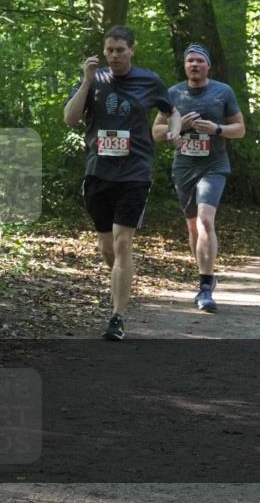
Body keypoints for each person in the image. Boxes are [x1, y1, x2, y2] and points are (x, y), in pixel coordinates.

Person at [65, 25, 181, 340]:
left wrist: (174, 130)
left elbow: (173, 112)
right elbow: (70, 119)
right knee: (107, 247)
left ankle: (117, 316)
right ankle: (123, 279)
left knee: (122, 242)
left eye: (120, 50)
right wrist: (87, 81)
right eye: (109, 51)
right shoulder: (94, 80)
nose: (114, 55)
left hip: (135, 172)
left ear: (132, 49)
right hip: (98, 172)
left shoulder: (149, 80)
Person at [153, 43, 245, 313]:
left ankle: (205, 287)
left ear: (208, 66)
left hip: (214, 165)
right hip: (184, 167)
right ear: (185, 65)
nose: (194, 65)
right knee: (193, 227)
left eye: (199, 61)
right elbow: (156, 132)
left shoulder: (222, 92)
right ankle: (205, 275)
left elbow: (239, 129)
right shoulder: (173, 93)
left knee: (206, 220)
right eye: (190, 61)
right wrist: (178, 126)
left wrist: (216, 129)